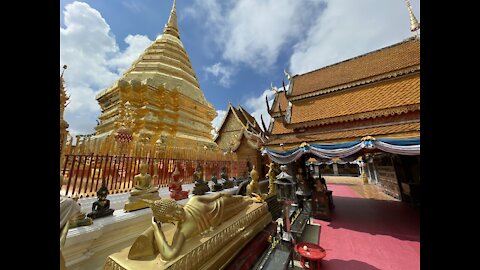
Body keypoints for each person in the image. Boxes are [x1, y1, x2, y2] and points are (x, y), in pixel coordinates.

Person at [129, 193, 253, 260]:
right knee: (242, 205)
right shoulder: (182, 230)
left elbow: (215, 197)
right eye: (173, 216)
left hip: (222, 203)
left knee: (241, 200)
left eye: (177, 208)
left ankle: (249, 198)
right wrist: (157, 230)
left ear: (176, 203)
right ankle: (249, 200)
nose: (178, 213)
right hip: (222, 218)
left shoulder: (194, 200)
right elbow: (169, 255)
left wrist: (225, 195)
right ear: (170, 220)